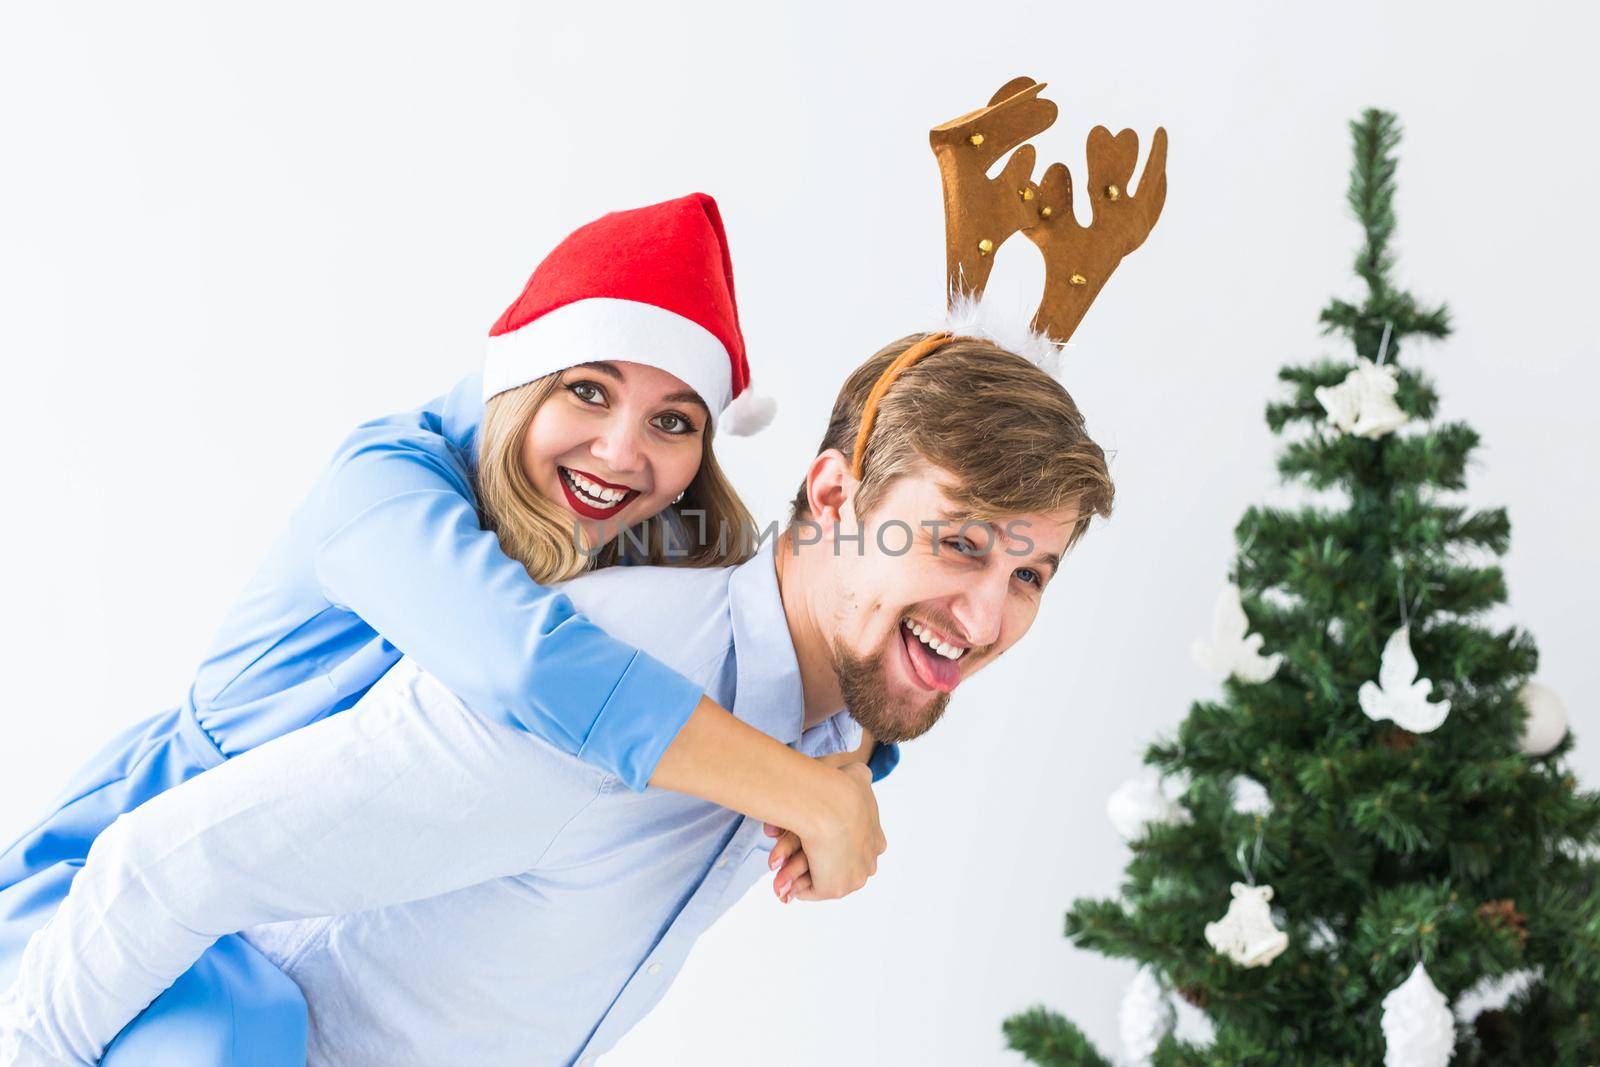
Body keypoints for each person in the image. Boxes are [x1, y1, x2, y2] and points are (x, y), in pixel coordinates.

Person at [0, 329, 1117, 1065]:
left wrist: (854, 774)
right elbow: (169, 865)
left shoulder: (823, 731)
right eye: (960, 545)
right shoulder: (616, 671)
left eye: (1029, 574)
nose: (985, 617)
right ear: (830, 494)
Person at [0, 193, 892, 1053]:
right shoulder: (384, 485)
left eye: (672, 420)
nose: (622, 452)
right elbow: (524, 663)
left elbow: (780, 638)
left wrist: (858, 754)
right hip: (109, 895)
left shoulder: (639, 534)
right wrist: (802, 791)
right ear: (523, 379)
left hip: (280, 931)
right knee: (244, 1034)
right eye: (588, 390)